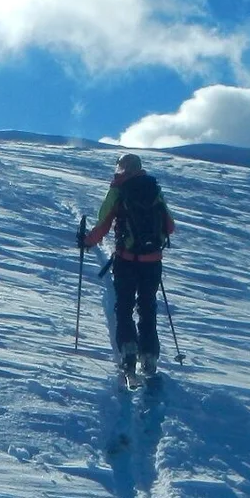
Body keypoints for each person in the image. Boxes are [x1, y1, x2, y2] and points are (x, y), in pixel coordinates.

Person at [79, 153, 176, 380]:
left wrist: (87, 242)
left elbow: (103, 224)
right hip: (153, 260)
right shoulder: (154, 188)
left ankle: (128, 352)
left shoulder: (119, 189)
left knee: (124, 306)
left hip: (126, 259)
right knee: (147, 307)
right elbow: (169, 226)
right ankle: (150, 355)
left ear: (122, 168)